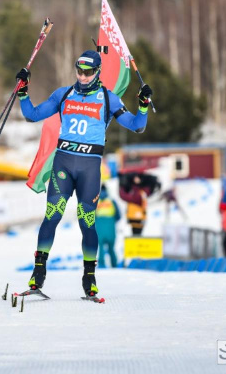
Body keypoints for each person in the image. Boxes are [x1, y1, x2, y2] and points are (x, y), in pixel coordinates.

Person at [16, 49, 151, 298]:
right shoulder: (64, 94)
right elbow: (31, 114)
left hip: (90, 169)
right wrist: (23, 91)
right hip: (64, 164)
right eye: (79, 71)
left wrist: (142, 106)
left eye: (88, 72)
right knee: (52, 216)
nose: (83, 76)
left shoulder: (109, 99)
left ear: (98, 71)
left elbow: (136, 126)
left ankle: (89, 278)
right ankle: (38, 274)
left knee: (87, 223)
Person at [95, 185, 121, 268]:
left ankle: (102, 265)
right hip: (111, 228)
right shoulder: (112, 202)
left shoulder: (96, 202)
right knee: (111, 248)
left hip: (99, 228)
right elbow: (118, 216)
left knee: (101, 249)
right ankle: (114, 265)